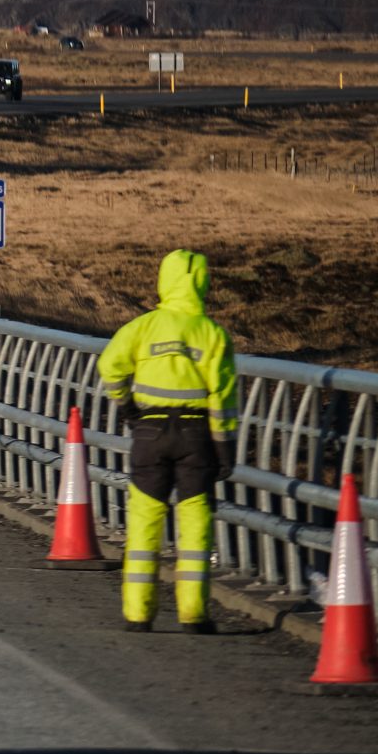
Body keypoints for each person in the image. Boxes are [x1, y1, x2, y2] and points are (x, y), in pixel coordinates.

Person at [96, 249, 238, 633]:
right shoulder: (212, 334)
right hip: (196, 437)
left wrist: (126, 406)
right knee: (195, 527)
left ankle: (138, 614)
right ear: (203, 283)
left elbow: (110, 366)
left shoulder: (143, 327)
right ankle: (194, 615)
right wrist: (225, 448)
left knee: (144, 522)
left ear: (164, 280)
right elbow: (222, 398)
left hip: (149, 432)